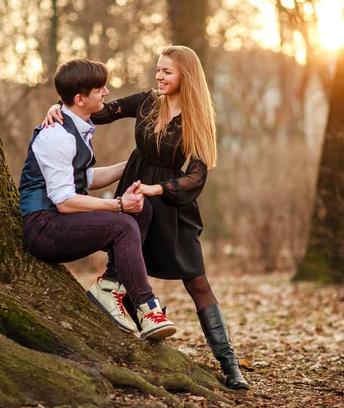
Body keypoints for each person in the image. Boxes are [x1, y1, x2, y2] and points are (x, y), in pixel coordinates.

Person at [43, 46, 249, 390]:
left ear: (186, 74)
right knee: (127, 272)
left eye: (167, 71)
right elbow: (99, 112)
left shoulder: (200, 118)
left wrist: (159, 189)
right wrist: (59, 108)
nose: (159, 76)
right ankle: (143, 342)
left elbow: (196, 176)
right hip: (136, 194)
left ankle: (229, 364)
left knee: (197, 281)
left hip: (171, 200)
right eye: (158, 70)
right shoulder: (147, 101)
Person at [19, 58, 176, 341]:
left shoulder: (75, 127)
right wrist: (118, 206)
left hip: (58, 220)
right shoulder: (57, 135)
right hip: (43, 229)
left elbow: (85, 179)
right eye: (99, 89)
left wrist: (132, 164)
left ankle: (110, 287)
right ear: (80, 98)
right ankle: (147, 308)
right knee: (123, 223)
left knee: (142, 211)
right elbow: (65, 200)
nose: (106, 93)